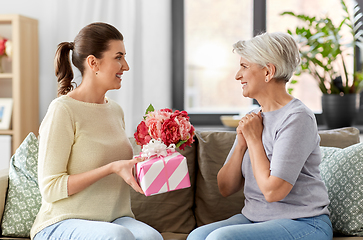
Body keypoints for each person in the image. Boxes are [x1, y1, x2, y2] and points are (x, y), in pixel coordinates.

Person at [187, 32, 333, 240]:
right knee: (197, 237)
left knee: (220, 239)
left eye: (244, 66)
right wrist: (240, 143)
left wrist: (254, 140)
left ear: (268, 72)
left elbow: (273, 192)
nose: (238, 75)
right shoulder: (253, 119)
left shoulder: (297, 118)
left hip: (304, 223)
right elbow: (225, 188)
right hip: (254, 219)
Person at [30, 22, 163, 240]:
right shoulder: (62, 110)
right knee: (117, 236)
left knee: (152, 238)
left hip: (113, 219)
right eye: (118, 57)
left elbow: (121, 168)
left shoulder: (115, 110)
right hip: (61, 221)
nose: (126, 66)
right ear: (93, 63)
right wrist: (110, 168)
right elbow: (51, 188)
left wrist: (151, 161)